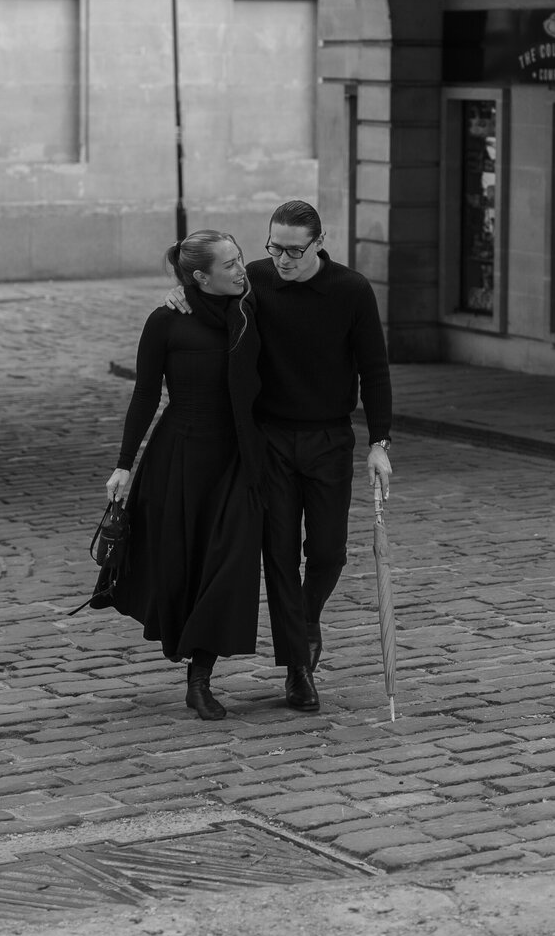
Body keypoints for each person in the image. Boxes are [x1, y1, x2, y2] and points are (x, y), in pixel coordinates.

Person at [168, 200, 393, 714]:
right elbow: (209, 300)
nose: (283, 259)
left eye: (295, 249)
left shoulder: (351, 290)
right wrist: (178, 294)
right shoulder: (255, 281)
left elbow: (374, 370)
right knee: (280, 555)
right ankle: (299, 670)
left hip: (330, 439)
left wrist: (381, 441)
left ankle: (303, 626)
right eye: (275, 247)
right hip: (270, 439)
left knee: (330, 552)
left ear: (319, 242)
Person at [93, 231, 265, 722]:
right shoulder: (167, 321)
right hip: (182, 457)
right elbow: (145, 394)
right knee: (185, 564)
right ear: (198, 276)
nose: (241, 270)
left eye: (239, 259)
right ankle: (197, 677)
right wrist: (124, 464)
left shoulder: (253, 310)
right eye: (229, 264)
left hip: (239, 460)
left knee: (229, 565)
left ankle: (201, 674)